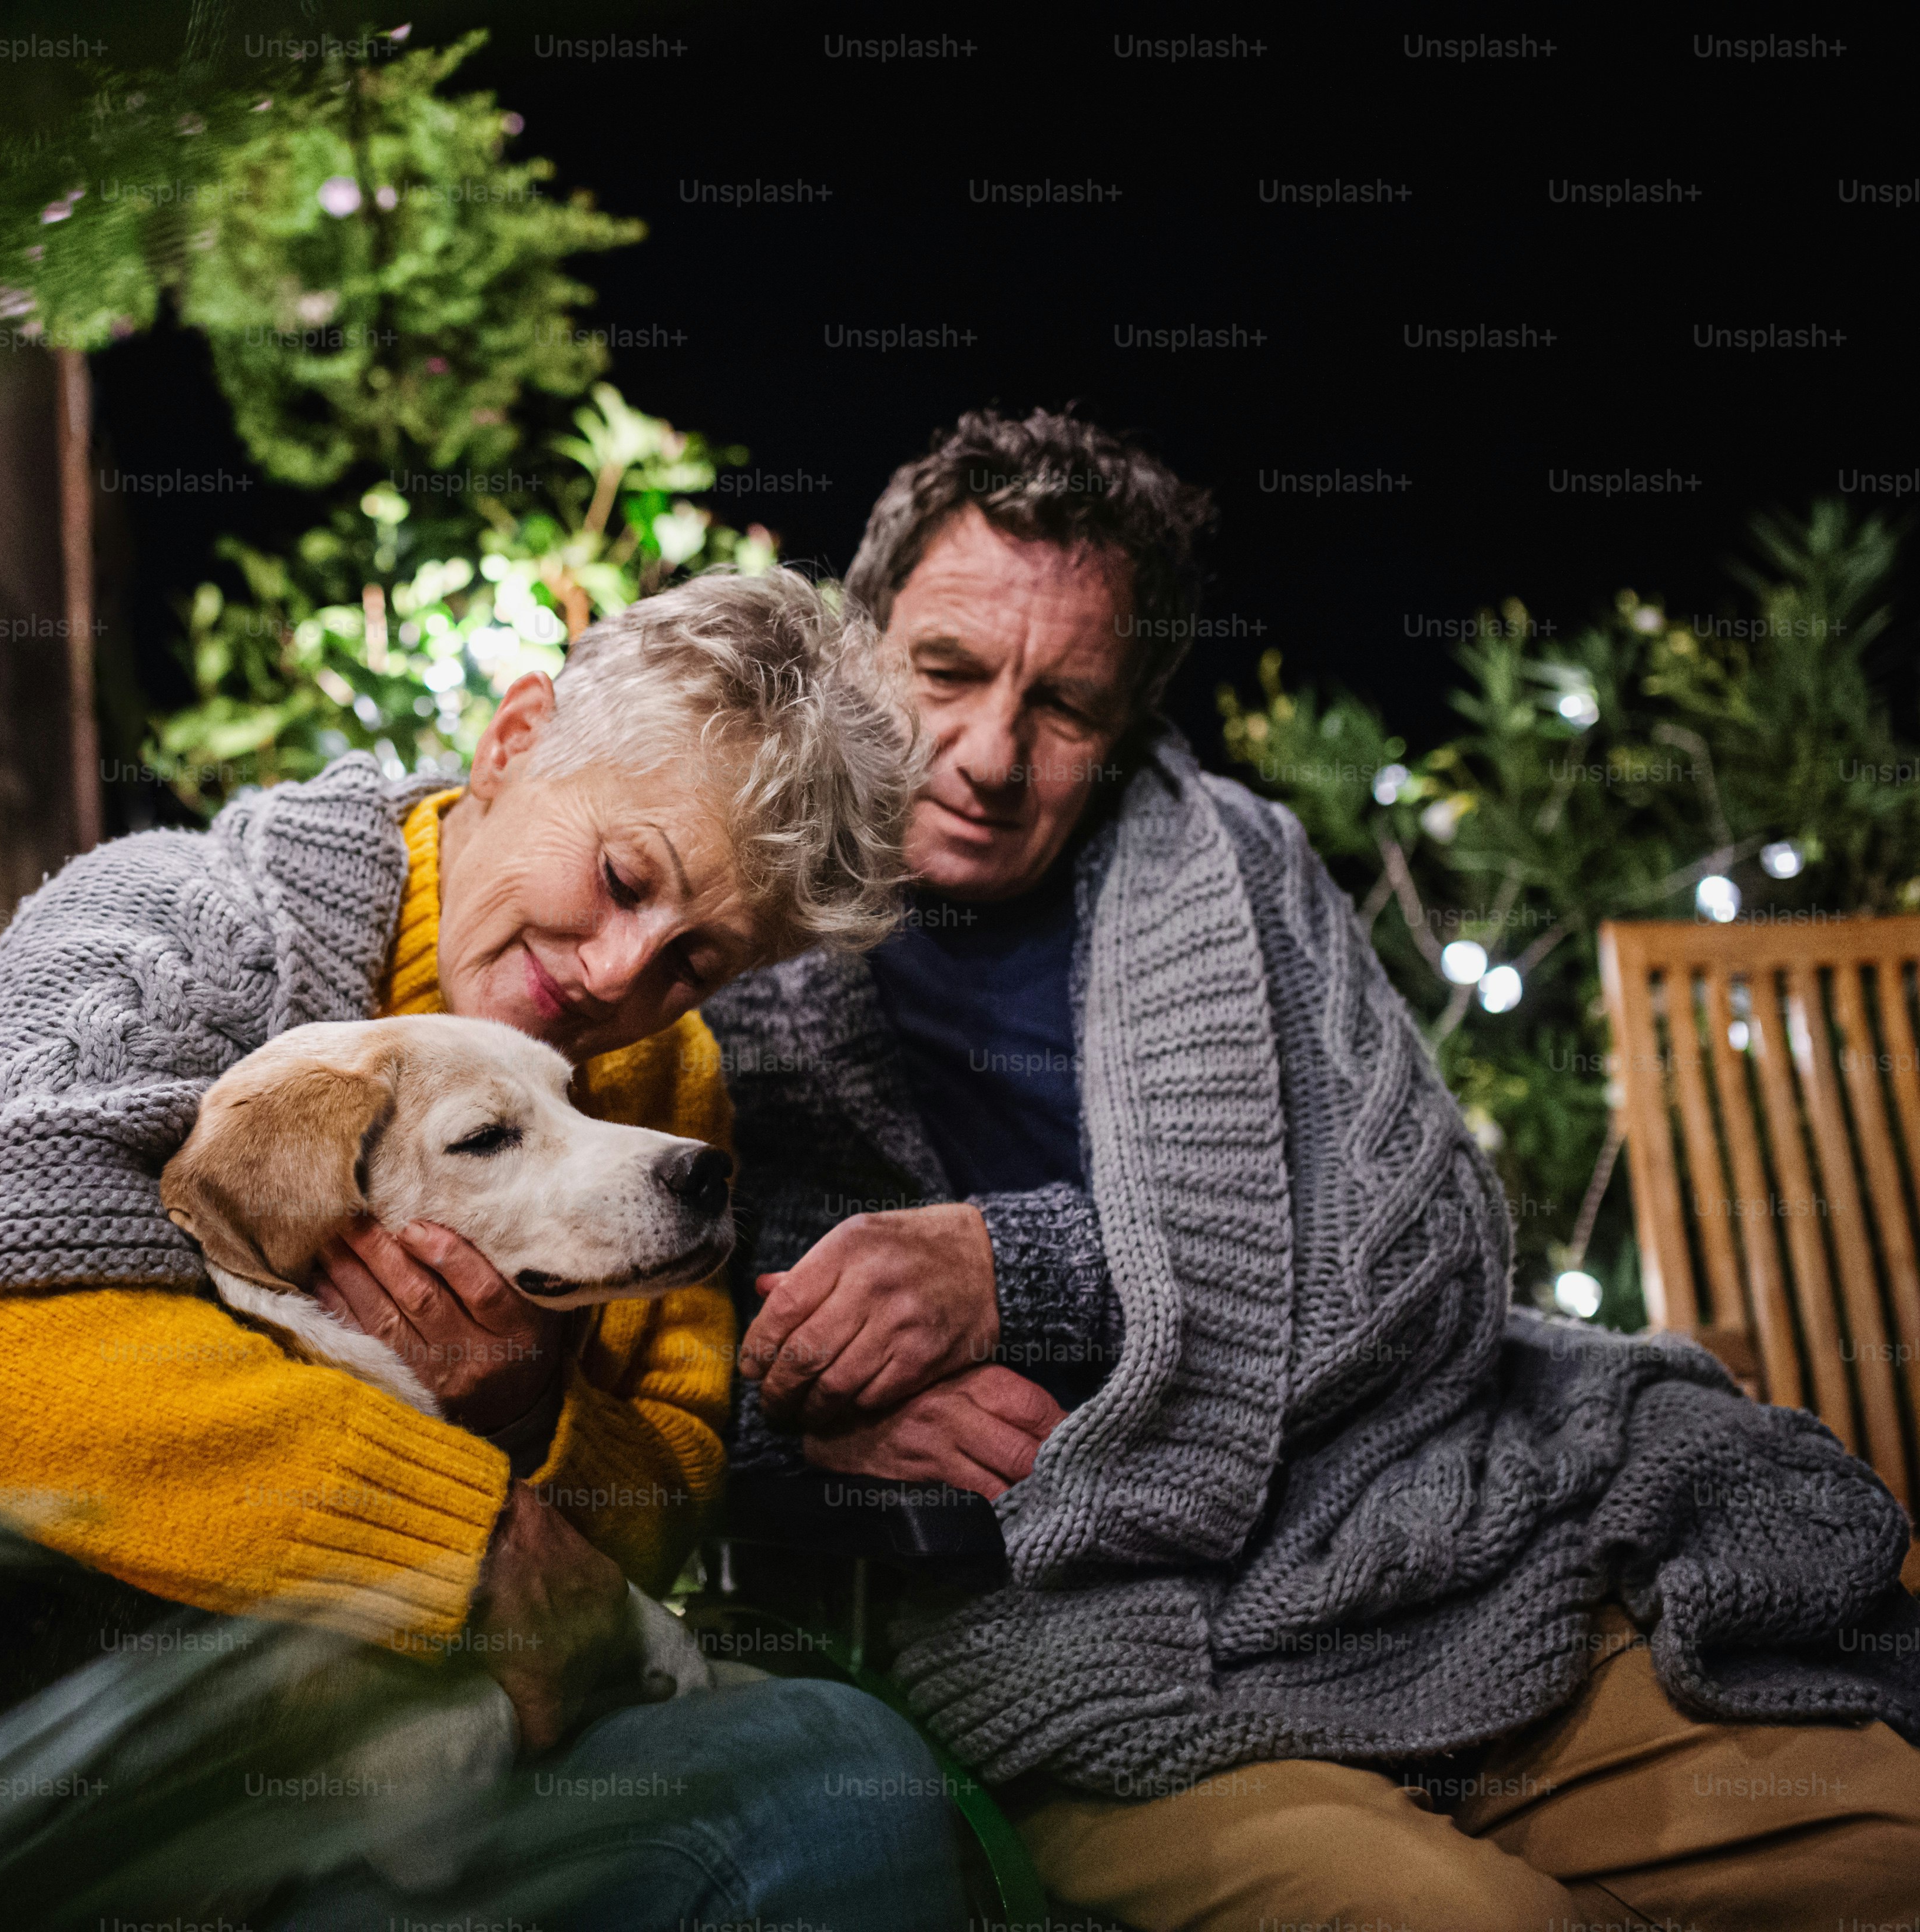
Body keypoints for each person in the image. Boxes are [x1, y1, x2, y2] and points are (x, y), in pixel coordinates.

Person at [0, 568, 961, 1932]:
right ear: (512, 744)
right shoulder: (173, 928)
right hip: (55, 1704)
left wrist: (534, 1412)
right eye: (624, 880)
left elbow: (668, 1481)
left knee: (855, 1775)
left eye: (697, 958)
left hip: (412, 1742)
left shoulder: (657, 1099)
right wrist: (466, 1543)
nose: (622, 971)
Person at [704, 408, 1920, 1928]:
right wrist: (788, 1413)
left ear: (1135, 710)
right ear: (864, 639)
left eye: (1066, 705)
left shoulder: (1235, 865)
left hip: (1425, 1551)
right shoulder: (728, 896)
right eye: (947, 671)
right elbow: (624, 1314)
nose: (995, 754)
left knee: (1888, 1847)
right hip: (1078, 1645)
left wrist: (1020, 1273)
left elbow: (1436, 1263)